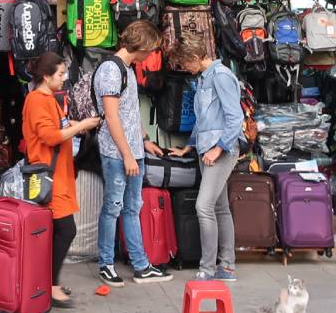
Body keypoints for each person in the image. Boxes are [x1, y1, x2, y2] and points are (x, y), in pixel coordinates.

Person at [94, 20, 172, 287]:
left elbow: (129, 114)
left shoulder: (125, 69)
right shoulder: (110, 70)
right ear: (140, 46)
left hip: (132, 150)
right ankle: (106, 263)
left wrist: (145, 141)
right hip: (117, 153)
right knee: (114, 207)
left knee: (131, 207)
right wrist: (127, 154)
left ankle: (141, 265)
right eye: (150, 50)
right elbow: (113, 118)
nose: (150, 56)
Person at [22, 52, 101, 307]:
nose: (65, 78)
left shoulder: (48, 98)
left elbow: (60, 124)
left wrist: (80, 123)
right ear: (46, 76)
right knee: (66, 230)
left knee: (57, 231)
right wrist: (80, 126)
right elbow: (50, 136)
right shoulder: (37, 101)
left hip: (59, 176)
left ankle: (47, 281)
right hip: (49, 178)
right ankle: (51, 286)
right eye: (60, 74)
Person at [168, 39, 244, 282]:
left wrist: (218, 149)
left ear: (194, 57)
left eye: (184, 63)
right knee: (219, 207)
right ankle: (227, 267)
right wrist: (188, 147)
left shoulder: (221, 76)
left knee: (203, 206)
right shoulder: (202, 79)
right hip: (206, 150)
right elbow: (203, 120)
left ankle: (208, 269)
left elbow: (235, 118)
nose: (184, 68)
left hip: (220, 151)